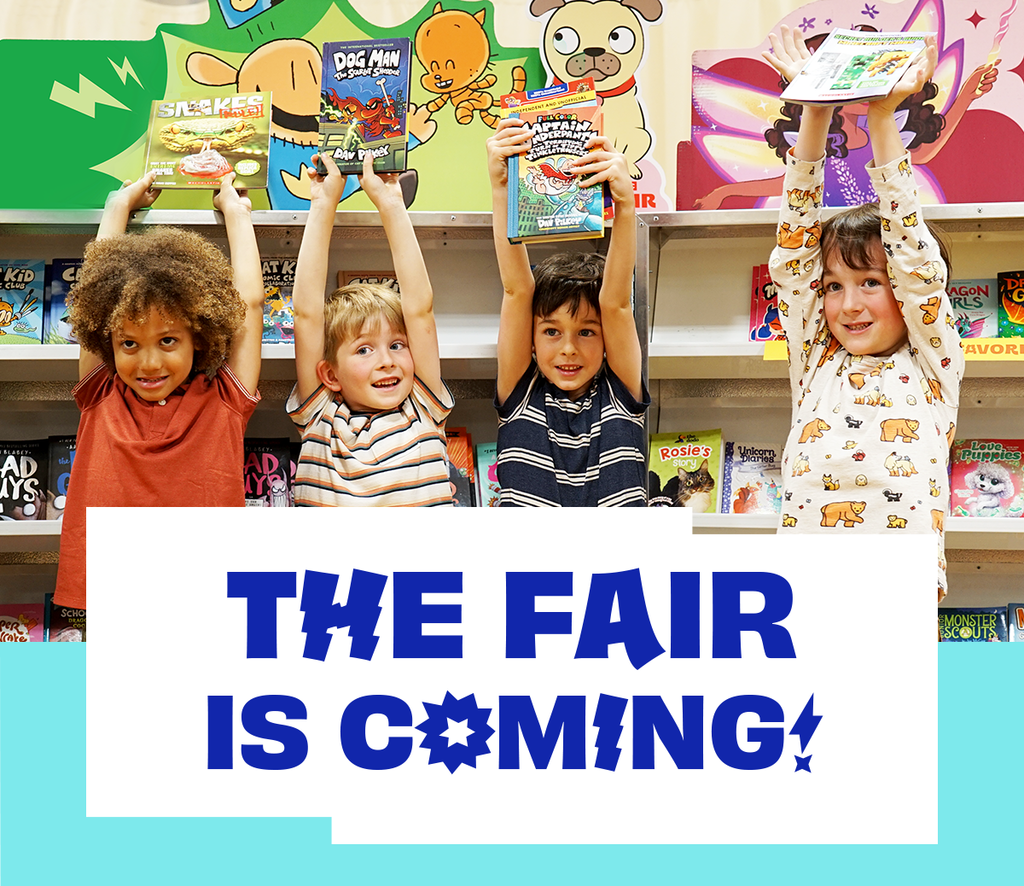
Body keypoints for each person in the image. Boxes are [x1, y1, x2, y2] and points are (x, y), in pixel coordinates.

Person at [764, 27, 964, 601]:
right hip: (806, 591)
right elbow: (793, 249)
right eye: (833, 286)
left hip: (898, 589)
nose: (848, 305)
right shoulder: (815, 351)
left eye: (870, 283)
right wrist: (814, 115)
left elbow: (913, 256)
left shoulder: (932, 362)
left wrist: (882, 119)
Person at [53, 171, 265, 610]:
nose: (148, 363)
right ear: (105, 340)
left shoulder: (224, 395)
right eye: (129, 343)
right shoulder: (101, 392)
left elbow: (249, 303)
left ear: (199, 337)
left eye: (167, 340)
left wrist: (237, 213)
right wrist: (117, 207)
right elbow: (93, 287)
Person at [486, 119, 648, 506]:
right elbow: (516, 289)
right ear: (533, 336)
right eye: (552, 331)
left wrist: (625, 206)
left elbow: (616, 304)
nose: (569, 349)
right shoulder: (520, 390)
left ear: (607, 336)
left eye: (587, 332)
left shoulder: (619, 390)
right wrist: (501, 187)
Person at [287, 152, 454, 506]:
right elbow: (306, 315)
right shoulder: (321, 415)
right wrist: (323, 203)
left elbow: (420, 310)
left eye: (396, 345)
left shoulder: (422, 407)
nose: (387, 361)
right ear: (330, 374)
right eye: (364, 349)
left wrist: (392, 203)